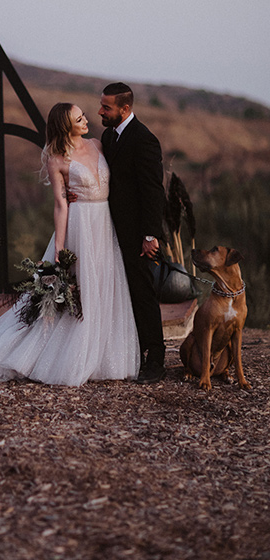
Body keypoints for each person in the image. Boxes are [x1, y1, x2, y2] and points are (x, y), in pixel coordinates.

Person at [0, 102, 140, 387]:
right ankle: (59, 355)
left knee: (104, 285)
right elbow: (61, 204)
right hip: (80, 225)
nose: (86, 120)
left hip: (105, 223)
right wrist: (59, 252)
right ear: (66, 126)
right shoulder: (57, 158)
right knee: (79, 290)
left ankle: (104, 354)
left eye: (83, 116)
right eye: (79, 119)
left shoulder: (97, 144)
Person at [99, 82, 166, 384]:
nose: (101, 111)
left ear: (124, 109)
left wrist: (151, 235)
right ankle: (132, 353)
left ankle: (157, 360)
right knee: (121, 294)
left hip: (138, 235)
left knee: (142, 294)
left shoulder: (144, 140)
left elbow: (153, 191)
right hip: (110, 231)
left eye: (106, 107)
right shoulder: (107, 136)